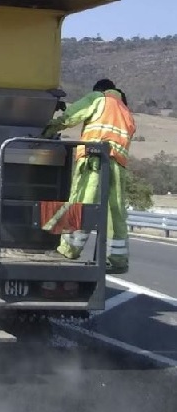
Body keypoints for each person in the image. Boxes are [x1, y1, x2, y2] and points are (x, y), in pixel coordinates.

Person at [41, 78, 136, 273]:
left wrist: (48, 129)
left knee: (81, 203)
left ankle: (70, 249)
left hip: (94, 160)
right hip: (117, 166)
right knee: (114, 211)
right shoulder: (126, 112)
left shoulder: (99, 98)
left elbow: (72, 115)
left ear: (100, 90)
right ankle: (117, 259)